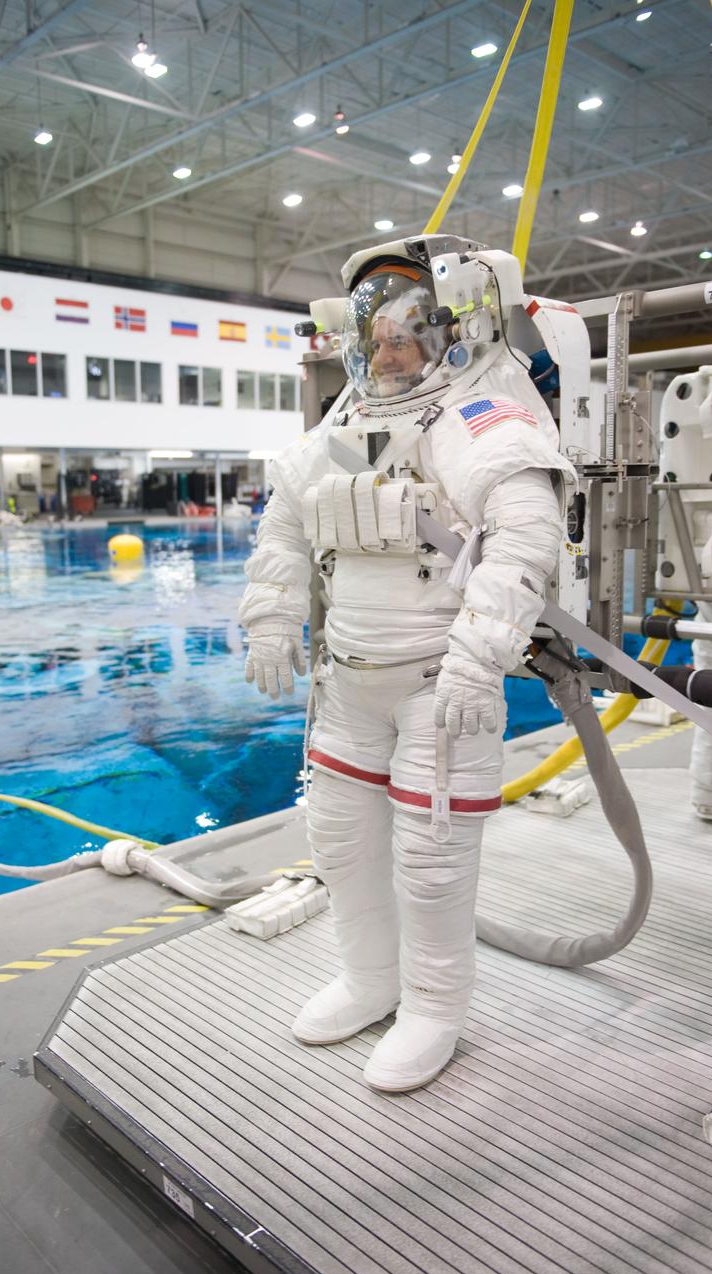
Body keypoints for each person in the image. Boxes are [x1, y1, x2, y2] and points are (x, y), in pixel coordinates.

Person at [239, 235, 575, 1092]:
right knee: (341, 845)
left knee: (429, 865)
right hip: (348, 685)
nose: (388, 355)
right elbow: (284, 526)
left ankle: (433, 1008)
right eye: (377, 340)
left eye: (404, 338)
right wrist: (271, 619)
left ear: (454, 333)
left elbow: (523, 541)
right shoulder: (347, 427)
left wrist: (479, 659)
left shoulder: (479, 419)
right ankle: (368, 980)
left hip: (440, 685)